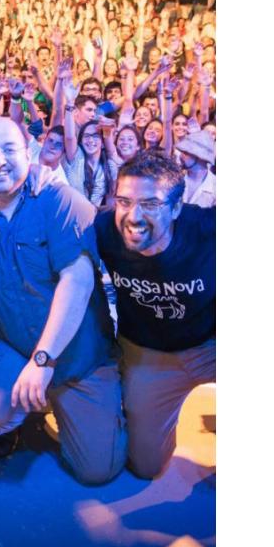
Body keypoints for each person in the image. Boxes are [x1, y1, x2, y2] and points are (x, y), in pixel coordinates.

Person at [0, 117, 127, 485]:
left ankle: (93, 400)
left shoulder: (59, 199)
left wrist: (44, 359)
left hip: (77, 357)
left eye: (9, 150)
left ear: (27, 153)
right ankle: (20, 408)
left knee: (98, 470)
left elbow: (76, 283)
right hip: (14, 346)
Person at [94, 151, 215, 478]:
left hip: (210, 346)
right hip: (147, 354)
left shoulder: (209, 230)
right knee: (147, 467)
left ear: (177, 207)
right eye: (124, 201)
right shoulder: (104, 230)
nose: (132, 216)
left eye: (150, 204)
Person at [174, 130, 216, 207]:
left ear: (201, 157)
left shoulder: (215, 187)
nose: (180, 156)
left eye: (186, 153)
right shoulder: (174, 180)